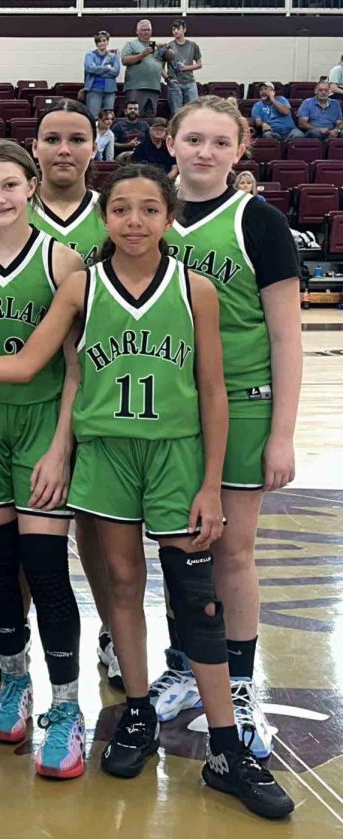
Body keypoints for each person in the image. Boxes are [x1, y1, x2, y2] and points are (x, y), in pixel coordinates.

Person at [0, 164, 296, 821]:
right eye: (121, 210)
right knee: (122, 585)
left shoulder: (197, 290)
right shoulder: (81, 286)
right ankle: (135, 712)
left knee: (195, 601)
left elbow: (214, 393)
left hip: (175, 457)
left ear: (168, 220)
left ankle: (225, 751)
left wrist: (212, 484)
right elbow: (24, 363)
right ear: (105, 218)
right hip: (105, 455)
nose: (133, 221)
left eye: (147, 211)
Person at [153, 96, 302, 766]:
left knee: (233, 552)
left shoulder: (259, 222)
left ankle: (239, 684)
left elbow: (286, 336)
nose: (205, 152)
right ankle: (187, 667)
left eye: (219, 142)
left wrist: (282, 434)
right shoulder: (145, 214)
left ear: (239, 151)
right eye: (194, 140)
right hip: (169, 406)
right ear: (171, 143)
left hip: (242, 403)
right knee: (182, 548)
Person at [0, 141, 87, 778]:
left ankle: (65, 704)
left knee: (45, 564)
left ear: (31, 187)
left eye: (10, 186)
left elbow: (75, 365)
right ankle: (14, 675)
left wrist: (62, 444)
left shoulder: (62, 260)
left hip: (40, 424)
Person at [28, 100, 119, 692]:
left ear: (94, 147)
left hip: (101, 389)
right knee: (24, 532)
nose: (64, 149)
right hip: (26, 392)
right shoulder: (6, 205)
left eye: (76, 139)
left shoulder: (113, 216)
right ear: (34, 147)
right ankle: (19, 641)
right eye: (52, 138)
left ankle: (113, 633)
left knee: (99, 530)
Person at [120, 19, 166, 119]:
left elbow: (160, 65)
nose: (146, 32)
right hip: (136, 87)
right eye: (143, 30)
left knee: (150, 118)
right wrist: (142, 55)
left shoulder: (157, 47)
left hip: (154, 87)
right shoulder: (130, 45)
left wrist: (167, 49)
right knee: (134, 117)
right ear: (137, 31)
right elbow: (124, 60)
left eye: (148, 30)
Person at [164, 18, 202, 113]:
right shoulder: (169, 46)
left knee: (193, 111)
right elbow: (161, 67)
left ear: (184, 29)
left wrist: (186, 68)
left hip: (190, 82)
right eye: (173, 29)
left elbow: (199, 64)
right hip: (175, 84)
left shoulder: (193, 45)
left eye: (178, 29)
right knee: (177, 112)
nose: (175, 31)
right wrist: (168, 79)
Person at [83, 31, 120, 116]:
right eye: (99, 41)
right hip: (94, 89)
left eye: (104, 40)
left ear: (107, 41)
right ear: (96, 43)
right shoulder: (90, 55)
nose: (102, 43)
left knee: (108, 116)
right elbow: (89, 68)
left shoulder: (113, 56)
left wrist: (97, 70)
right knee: (94, 115)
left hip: (110, 91)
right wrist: (107, 68)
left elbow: (115, 72)